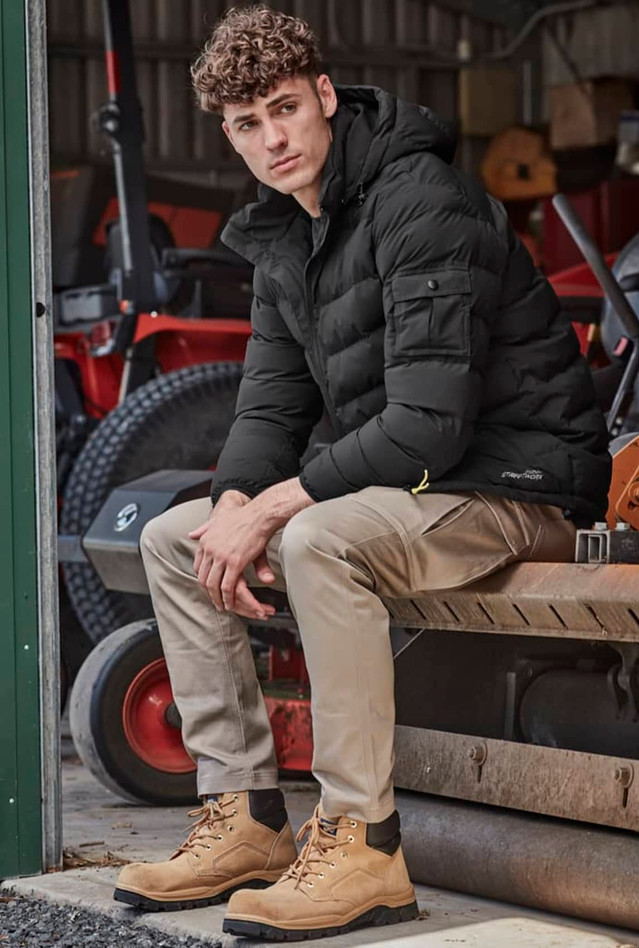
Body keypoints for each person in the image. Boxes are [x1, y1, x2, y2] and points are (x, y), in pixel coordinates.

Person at [114, 4, 611, 940]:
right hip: (421, 488)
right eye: (247, 124)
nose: (273, 138)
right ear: (228, 135)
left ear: (327, 97)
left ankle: (364, 844)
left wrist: (276, 509)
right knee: (177, 539)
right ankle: (248, 820)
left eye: (286, 109)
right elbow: (268, 409)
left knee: (316, 535)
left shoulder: (422, 200)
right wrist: (229, 506)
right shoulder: (283, 237)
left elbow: (426, 428)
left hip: (516, 485)